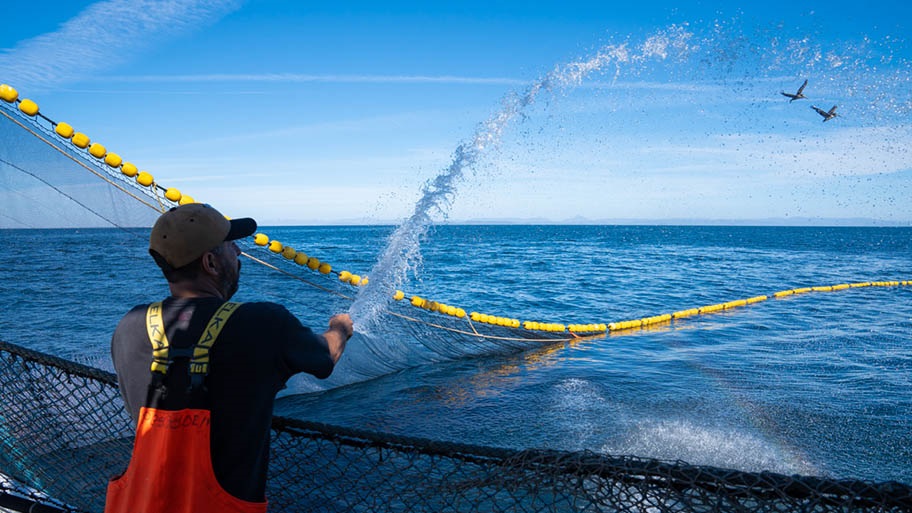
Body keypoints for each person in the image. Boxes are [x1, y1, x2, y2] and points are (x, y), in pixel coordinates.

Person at [105, 203, 353, 513]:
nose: (237, 252)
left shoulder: (130, 325)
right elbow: (325, 358)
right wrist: (339, 329)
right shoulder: (263, 323)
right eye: (230, 246)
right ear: (210, 261)